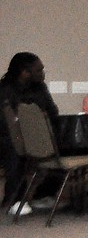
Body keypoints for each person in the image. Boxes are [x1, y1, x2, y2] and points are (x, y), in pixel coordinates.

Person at [1, 52, 58, 215]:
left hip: (37, 137)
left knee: (63, 145)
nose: (42, 74)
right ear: (25, 72)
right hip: (9, 138)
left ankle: (44, 194)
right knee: (13, 149)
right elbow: (4, 123)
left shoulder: (40, 88)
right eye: (39, 70)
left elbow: (52, 112)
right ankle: (15, 199)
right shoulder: (4, 90)